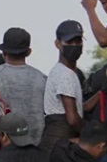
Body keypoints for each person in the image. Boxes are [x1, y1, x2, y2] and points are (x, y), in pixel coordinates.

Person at [0, 28, 47, 145]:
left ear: (3, 52)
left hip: (1, 151)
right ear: (29, 52)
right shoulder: (42, 79)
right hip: (37, 150)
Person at [39, 20, 98, 153]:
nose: (75, 46)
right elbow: (72, 119)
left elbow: (79, 107)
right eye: (69, 42)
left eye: (78, 42)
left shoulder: (66, 72)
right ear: (58, 44)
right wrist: (91, 135)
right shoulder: (64, 74)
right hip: (60, 142)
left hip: (57, 141)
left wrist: (101, 94)